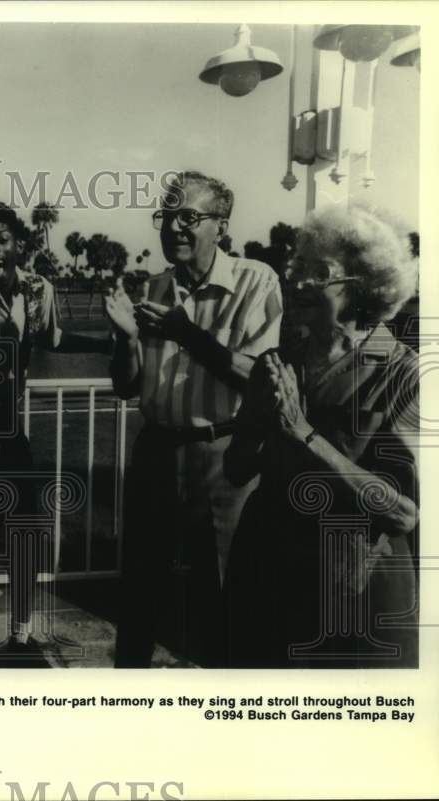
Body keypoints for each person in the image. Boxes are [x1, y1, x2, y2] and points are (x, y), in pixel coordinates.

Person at [224, 205, 419, 668]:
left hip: (353, 584)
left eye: (320, 272)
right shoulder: (277, 362)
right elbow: (235, 470)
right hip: (266, 566)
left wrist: (302, 433)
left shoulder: (404, 373)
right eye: (299, 269)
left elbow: (403, 511)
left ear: (364, 287)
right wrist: (256, 416)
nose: (299, 282)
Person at [107, 170, 283, 667]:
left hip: (221, 457)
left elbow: (260, 377)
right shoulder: (155, 286)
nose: (174, 228)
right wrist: (125, 339)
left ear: (220, 227)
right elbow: (125, 385)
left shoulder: (256, 280)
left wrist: (191, 337)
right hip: (157, 452)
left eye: (190, 217)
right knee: (139, 592)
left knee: (222, 593)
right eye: (167, 216)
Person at [0, 200, 108, 663]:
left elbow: (52, 337)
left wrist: (111, 342)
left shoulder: (38, 288)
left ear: (18, 243)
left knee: (24, 538)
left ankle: (20, 632)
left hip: (12, 436)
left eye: (3, 238)